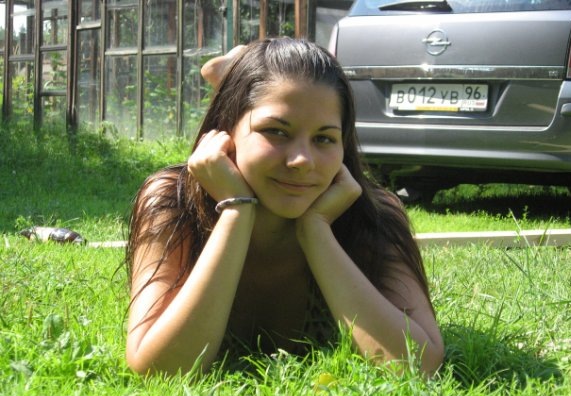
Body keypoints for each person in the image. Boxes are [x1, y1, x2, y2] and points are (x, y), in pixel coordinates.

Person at [125, 37, 444, 377]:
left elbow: (419, 366)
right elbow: (159, 368)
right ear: (224, 132)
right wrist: (236, 210)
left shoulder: (374, 215)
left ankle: (237, 70)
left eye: (324, 138)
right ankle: (235, 70)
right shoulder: (172, 201)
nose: (302, 160)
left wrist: (316, 229)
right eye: (276, 131)